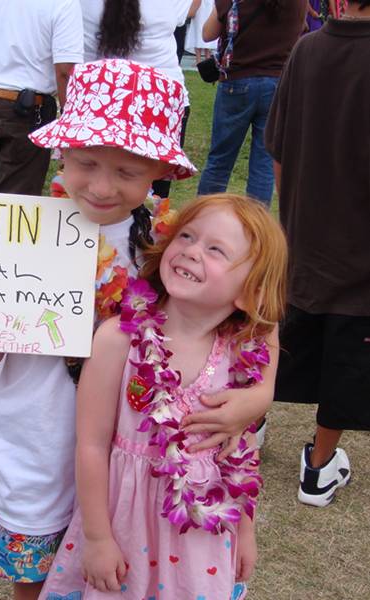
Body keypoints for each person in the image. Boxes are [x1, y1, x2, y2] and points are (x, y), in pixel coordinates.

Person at [0, 59, 275, 600]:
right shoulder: (18, 237)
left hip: (135, 464)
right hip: (37, 448)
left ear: (157, 172)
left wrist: (259, 393)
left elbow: (254, 316)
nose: (101, 186)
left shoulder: (169, 247)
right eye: (86, 163)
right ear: (62, 154)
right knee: (38, 585)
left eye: (126, 172)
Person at [40, 193, 287, 599]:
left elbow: (240, 454)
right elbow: (91, 445)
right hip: (123, 523)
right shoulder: (118, 341)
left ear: (248, 292)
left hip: (201, 536)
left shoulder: (239, 355)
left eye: (215, 250)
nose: (191, 251)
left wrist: (245, 530)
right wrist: (98, 538)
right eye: (187, 236)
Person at [264, 0, 370, 507]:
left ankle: (250, 427)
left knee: (282, 339)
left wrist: (291, 222)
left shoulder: (306, 49)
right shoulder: (306, 48)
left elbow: (278, 148)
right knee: (347, 356)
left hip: (305, 234)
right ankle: (319, 467)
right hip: (361, 252)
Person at [0, 0, 83, 196]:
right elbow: (65, 70)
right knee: (16, 204)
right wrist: (71, 128)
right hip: (26, 109)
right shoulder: (64, 3)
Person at [197, 0, 306, 207]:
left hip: (236, 81)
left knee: (220, 159)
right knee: (264, 163)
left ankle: (202, 213)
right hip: (278, 83)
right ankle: (256, 229)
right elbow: (300, 31)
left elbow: (207, 34)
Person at [80, 0, 193, 199]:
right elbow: (184, 14)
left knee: (91, 191)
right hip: (160, 103)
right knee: (153, 193)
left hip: (98, 99)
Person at [185, 0, 218, 65]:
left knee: (209, 29)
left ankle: (207, 58)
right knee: (197, 31)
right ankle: (198, 60)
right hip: (199, 8)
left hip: (210, 7)